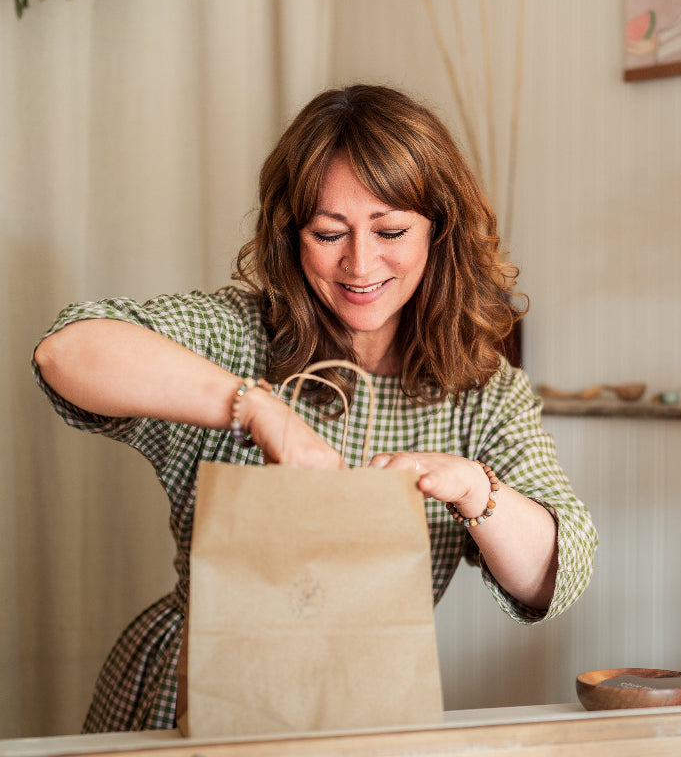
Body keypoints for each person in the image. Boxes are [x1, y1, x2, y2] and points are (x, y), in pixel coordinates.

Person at [33, 84, 598, 733]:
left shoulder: (481, 390)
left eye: (390, 231)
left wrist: (474, 488)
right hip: (192, 699)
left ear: (438, 233)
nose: (360, 264)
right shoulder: (242, 339)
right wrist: (255, 408)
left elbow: (556, 573)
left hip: (365, 708)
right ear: (291, 234)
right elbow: (65, 353)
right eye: (330, 233)